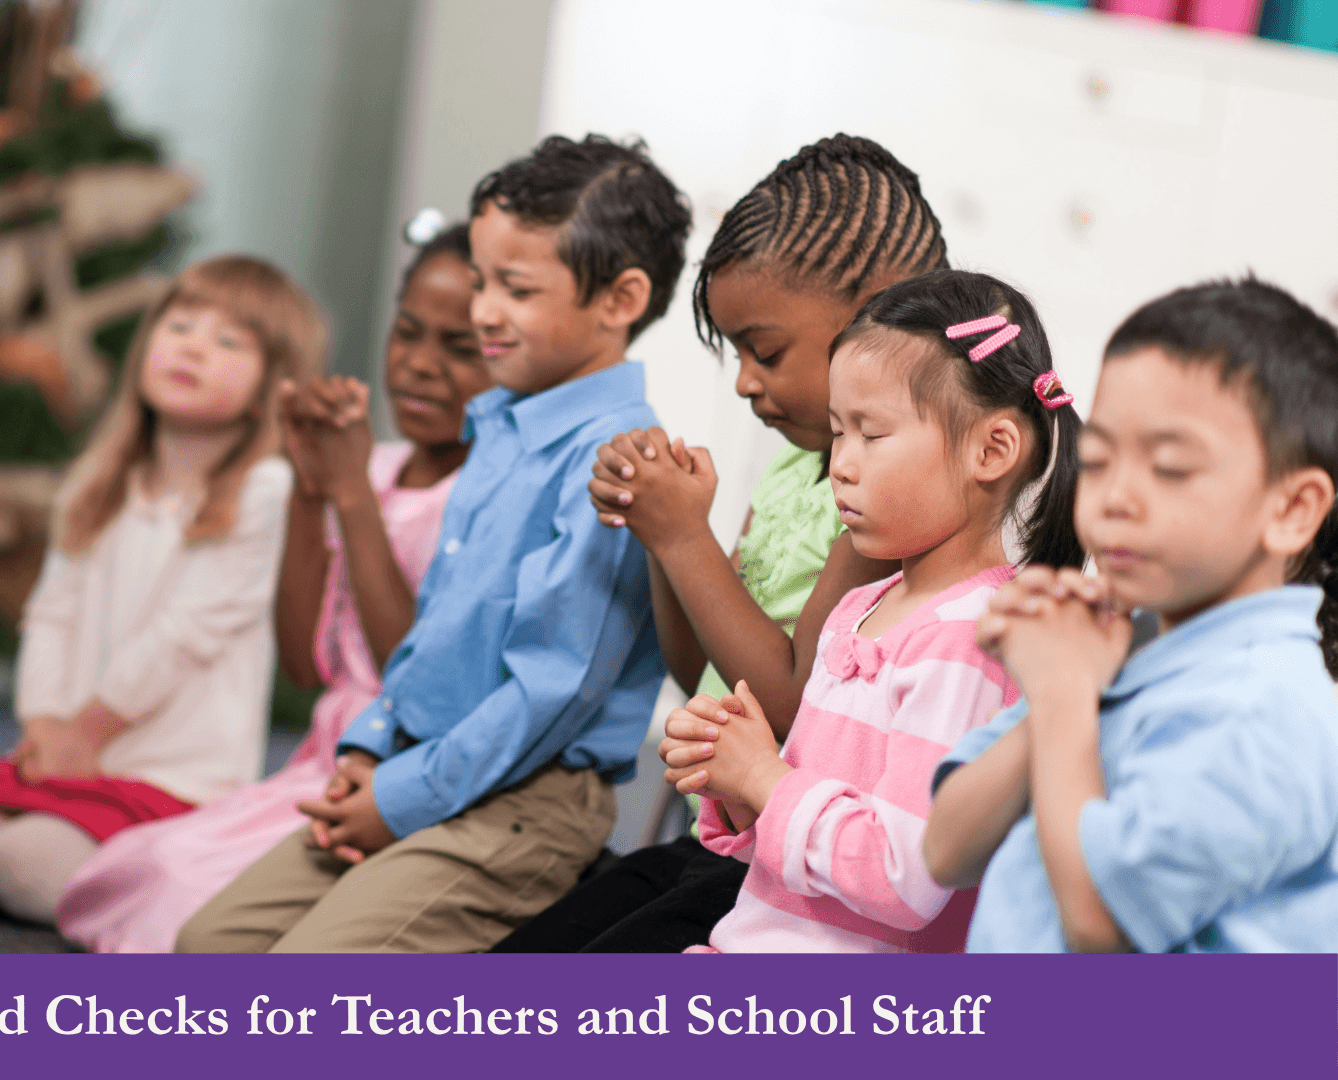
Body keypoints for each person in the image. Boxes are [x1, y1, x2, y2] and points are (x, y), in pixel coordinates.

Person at [176, 134, 688, 953]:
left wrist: (400, 798)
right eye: (482, 280)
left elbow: (549, 696)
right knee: (206, 946)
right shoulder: (499, 425)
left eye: (516, 288)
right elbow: (435, 635)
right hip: (420, 759)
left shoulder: (617, 459)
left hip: (524, 801)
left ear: (620, 299)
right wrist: (374, 747)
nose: (483, 310)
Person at [498, 135, 937, 952]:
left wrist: (684, 535)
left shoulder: (883, 501)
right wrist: (660, 530)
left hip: (790, 865)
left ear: (876, 316)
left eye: (765, 351)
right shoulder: (793, 467)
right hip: (720, 836)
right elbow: (700, 676)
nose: (743, 381)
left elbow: (791, 705)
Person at [54, 224, 490, 951]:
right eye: (407, 333)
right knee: (136, 867)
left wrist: (349, 495)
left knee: (180, 906)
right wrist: (310, 491)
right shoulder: (373, 465)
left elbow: (414, 682)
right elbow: (303, 663)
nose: (419, 365)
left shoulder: (478, 496)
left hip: (399, 771)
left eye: (460, 348)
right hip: (319, 760)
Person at [662, 269, 1082, 952]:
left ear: (991, 450)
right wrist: (737, 781)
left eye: (872, 434)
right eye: (838, 432)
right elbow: (805, 861)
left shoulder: (972, 638)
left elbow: (905, 878)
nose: (842, 465)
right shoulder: (861, 607)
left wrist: (765, 777)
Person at [926, 278, 1338, 953]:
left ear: (1292, 510)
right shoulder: (1116, 646)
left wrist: (1064, 693)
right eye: (1098, 459)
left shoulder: (1264, 706)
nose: (1115, 496)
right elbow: (946, 851)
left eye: (1170, 467)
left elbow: (1103, 928)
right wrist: (1066, 681)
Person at [0, 255, 325, 926]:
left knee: (21, 865)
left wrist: (86, 732)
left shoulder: (264, 491)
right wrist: (44, 725)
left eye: (228, 342)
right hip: (65, 754)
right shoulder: (98, 480)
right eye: (180, 327)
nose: (193, 348)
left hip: (171, 777)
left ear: (271, 388)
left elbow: (184, 635)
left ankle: (179, 890)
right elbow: (50, 613)